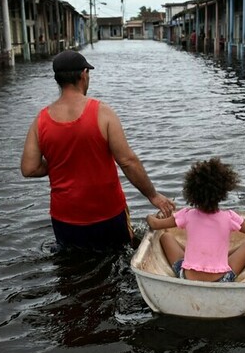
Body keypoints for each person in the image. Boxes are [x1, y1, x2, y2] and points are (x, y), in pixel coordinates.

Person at [20, 50, 175, 251]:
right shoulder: (102, 112)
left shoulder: (41, 120)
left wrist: (63, 160)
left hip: (65, 218)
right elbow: (128, 161)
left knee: (71, 271)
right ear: (83, 75)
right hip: (107, 214)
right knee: (117, 263)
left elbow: (29, 168)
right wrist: (153, 195)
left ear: (58, 80)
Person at [146, 158, 245, 282]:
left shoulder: (187, 215)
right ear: (223, 191)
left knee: (166, 237)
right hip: (221, 280)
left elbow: (155, 224)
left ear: (192, 191)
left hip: (186, 277)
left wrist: (149, 217)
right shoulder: (229, 217)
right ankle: (219, 256)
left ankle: (197, 254)